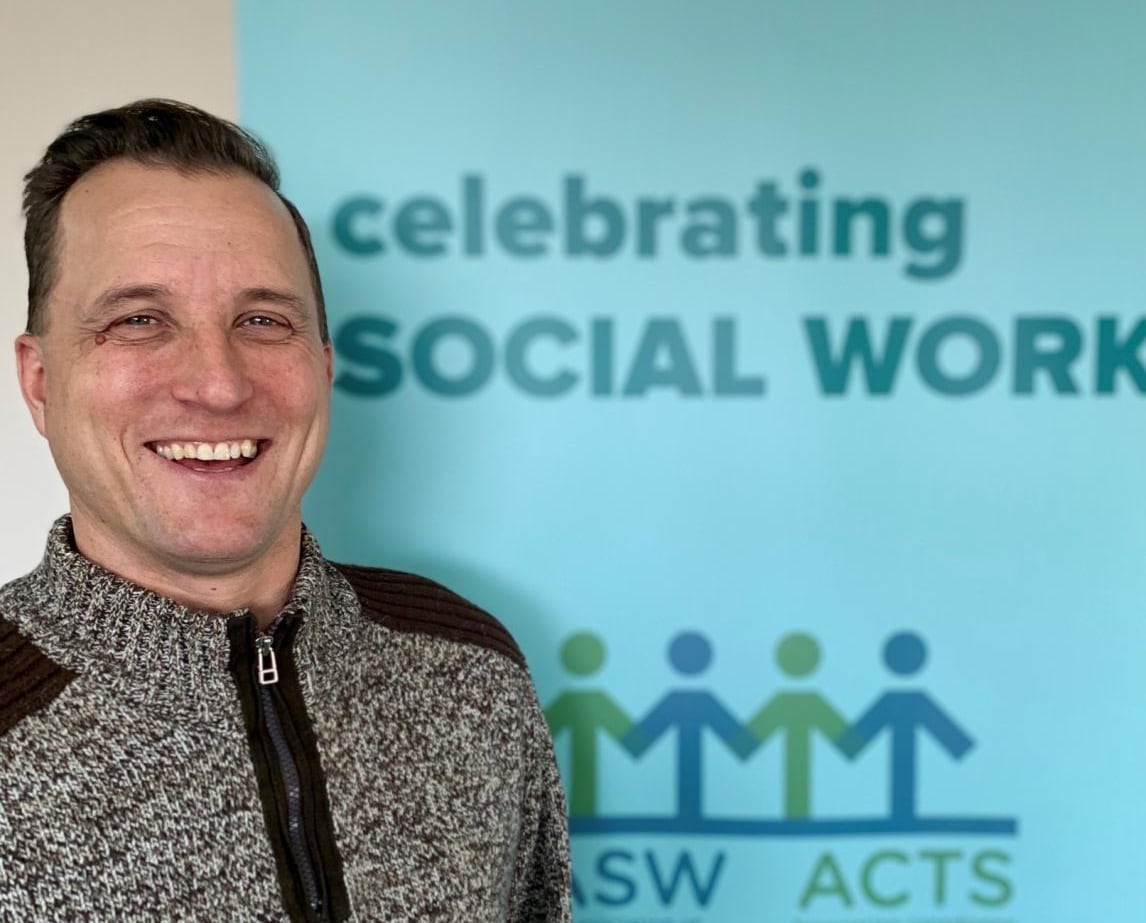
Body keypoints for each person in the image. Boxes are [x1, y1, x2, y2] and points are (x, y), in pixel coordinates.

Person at [0, 99, 571, 922]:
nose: (219, 384)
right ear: (41, 380)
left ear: (324, 365)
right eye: (139, 321)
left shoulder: (472, 671)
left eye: (263, 320)